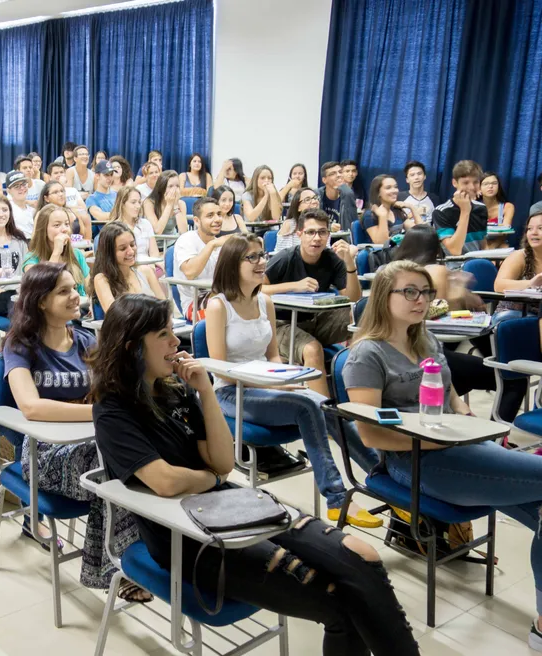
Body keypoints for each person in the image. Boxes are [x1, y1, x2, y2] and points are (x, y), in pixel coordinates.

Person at [91, 293, 420, 656]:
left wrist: (205, 391)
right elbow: (165, 482)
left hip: (231, 506)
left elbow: (222, 462)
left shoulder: (176, 390)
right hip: (186, 537)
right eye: (163, 335)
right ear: (132, 347)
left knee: (361, 554)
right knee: (338, 600)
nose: (175, 342)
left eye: (172, 332)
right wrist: (210, 480)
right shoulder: (113, 410)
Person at [343, 259, 542, 651]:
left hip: (458, 446)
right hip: (415, 461)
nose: (421, 300)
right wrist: (444, 440)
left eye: (425, 292)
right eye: (409, 292)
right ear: (384, 297)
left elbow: (448, 390)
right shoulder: (367, 354)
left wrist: (464, 416)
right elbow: (370, 432)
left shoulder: (424, 340)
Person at [205, 234, 381, 527]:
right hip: (232, 393)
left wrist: (285, 376)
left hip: (267, 385)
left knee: (325, 405)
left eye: (262, 256)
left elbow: (273, 355)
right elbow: (221, 370)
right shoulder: (218, 305)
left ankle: (381, 477)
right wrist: (272, 384)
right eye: (252, 257)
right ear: (232, 264)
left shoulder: (265, 301)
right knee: (307, 407)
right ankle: (337, 498)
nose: (261, 262)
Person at [2, 262, 148, 599]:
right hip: (43, 454)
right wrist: (97, 413)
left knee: (127, 457)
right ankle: (119, 566)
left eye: (75, 289)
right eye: (64, 291)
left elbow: (110, 390)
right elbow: (31, 407)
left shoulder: (85, 340)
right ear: (41, 301)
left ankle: (130, 560)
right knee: (111, 465)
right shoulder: (20, 345)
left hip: (93, 444)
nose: (76, 297)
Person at [391, 225, 526, 423]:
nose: (419, 297)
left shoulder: (391, 272)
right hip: (424, 357)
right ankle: (494, 435)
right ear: (436, 249)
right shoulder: (432, 271)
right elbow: (437, 309)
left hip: (422, 354)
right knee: (513, 379)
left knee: (487, 351)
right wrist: (458, 293)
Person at [263, 209, 361, 391]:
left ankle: (357, 389)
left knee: (361, 318)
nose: (317, 238)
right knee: (312, 349)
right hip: (281, 323)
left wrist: (349, 263)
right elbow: (257, 289)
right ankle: (322, 407)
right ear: (299, 234)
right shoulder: (285, 258)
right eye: (310, 232)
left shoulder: (332, 258)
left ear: (328, 235)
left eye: (322, 232)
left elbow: (353, 298)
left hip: (317, 320)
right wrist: (294, 286)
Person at [172, 197, 227, 319]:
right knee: (234, 304)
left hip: (220, 296)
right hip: (195, 304)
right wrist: (211, 245)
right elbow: (190, 272)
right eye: (210, 215)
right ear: (197, 221)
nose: (217, 219)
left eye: (219, 214)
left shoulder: (221, 244)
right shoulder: (186, 239)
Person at [92, 223, 163, 311]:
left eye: (132, 245)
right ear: (109, 253)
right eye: (123, 249)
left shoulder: (147, 271)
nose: (131, 252)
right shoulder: (102, 279)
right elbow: (114, 315)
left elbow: (164, 307)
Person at [22, 205, 90, 296]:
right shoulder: (31, 259)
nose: (64, 229)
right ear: (44, 230)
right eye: (57, 225)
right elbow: (40, 287)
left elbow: (89, 288)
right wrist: (56, 252)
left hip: (79, 303)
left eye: (67, 224)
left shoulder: (76, 254)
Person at [432, 160, 490, 256]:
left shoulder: (481, 208)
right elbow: (455, 251)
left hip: (479, 261)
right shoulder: (441, 211)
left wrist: (490, 261)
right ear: (455, 183)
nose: (472, 187)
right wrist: (465, 211)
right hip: (455, 263)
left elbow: (483, 245)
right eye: (466, 183)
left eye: (476, 182)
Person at [494, 209, 542, 323]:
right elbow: (498, 285)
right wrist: (530, 284)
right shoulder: (519, 256)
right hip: (512, 315)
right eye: (529, 229)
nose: (533, 232)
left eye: (540, 228)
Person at [362, 174, 416, 244]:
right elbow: (382, 243)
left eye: (395, 187)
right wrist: (382, 217)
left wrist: (411, 207)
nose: (394, 191)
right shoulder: (369, 215)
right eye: (388, 188)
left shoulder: (397, 210)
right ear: (378, 192)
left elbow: (419, 233)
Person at [107, 186, 158, 258]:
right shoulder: (113, 228)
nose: (138, 206)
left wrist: (153, 263)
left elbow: (154, 253)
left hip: (148, 262)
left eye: (139, 202)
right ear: (122, 204)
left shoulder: (145, 223)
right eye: (133, 202)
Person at [143, 171, 188, 236]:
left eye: (177, 186)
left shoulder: (181, 204)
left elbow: (184, 232)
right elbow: (157, 231)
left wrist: (175, 205)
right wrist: (169, 205)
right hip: (154, 241)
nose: (175, 189)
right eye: (170, 186)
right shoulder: (149, 203)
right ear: (162, 188)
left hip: (172, 240)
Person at [316, 161, 358, 231]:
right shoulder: (317, 195)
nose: (339, 175)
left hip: (342, 236)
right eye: (333, 173)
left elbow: (352, 224)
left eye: (340, 172)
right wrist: (328, 227)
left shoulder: (347, 194)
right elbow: (310, 221)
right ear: (324, 180)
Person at [481, 171, 515, 247]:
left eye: (494, 183)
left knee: (504, 246)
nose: (490, 186)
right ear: (479, 188)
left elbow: (505, 232)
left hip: (498, 244)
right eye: (486, 184)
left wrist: (489, 249)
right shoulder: (473, 206)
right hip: (477, 244)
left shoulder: (508, 207)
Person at [5, 170, 36, 238]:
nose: (22, 188)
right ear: (8, 191)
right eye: (16, 186)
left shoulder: (33, 210)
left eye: (24, 184)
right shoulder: (7, 210)